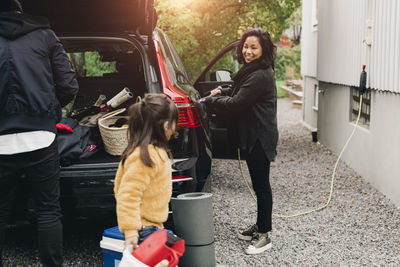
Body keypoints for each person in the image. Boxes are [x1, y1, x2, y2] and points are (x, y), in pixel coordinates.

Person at [0, 0, 79, 266]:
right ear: (21, 12)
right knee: (48, 211)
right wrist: (50, 109)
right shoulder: (45, 35)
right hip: (41, 138)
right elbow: (69, 85)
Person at [201, 28, 278, 255]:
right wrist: (220, 90)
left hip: (259, 138)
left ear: (263, 49)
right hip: (253, 135)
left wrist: (212, 101)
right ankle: (258, 226)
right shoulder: (251, 71)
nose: (248, 51)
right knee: (259, 185)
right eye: (246, 46)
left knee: (262, 187)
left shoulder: (261, 74)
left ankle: (264, 235)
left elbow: (237, 102)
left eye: (254, 47)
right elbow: (237, 88)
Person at [114, 94, 178, 264]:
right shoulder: (145, 156)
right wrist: (131, 231)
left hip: (152, 227)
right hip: (143, 229)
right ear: (166, 125)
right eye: (174, 122)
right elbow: (127, 195)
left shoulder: (153, 152)